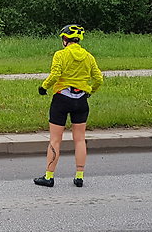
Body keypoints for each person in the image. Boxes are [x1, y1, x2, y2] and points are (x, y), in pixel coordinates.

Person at [34, 24, 103, 188]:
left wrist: (44, 87)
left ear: (65, 39)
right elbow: (99, 79)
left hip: (61, 99)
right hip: (81, 100)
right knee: (79, 139)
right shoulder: (88, 57)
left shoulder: (61, 55)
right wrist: (90, 91)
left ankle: (49, 177)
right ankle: (79, 176)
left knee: (55, 139)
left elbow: (55, 74)